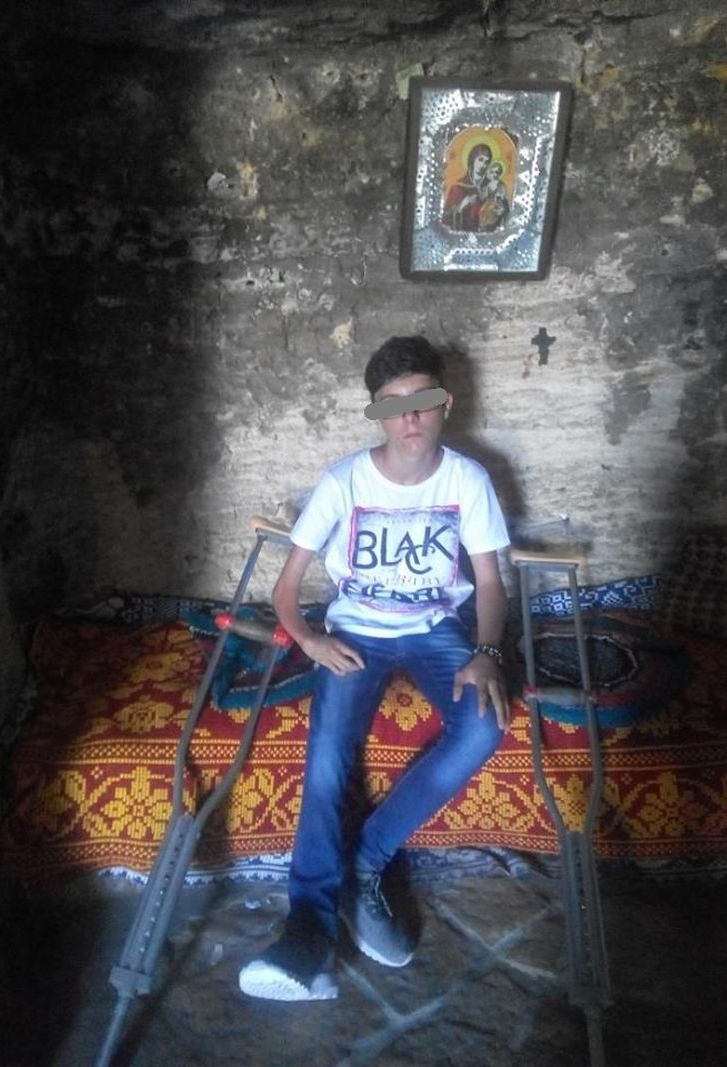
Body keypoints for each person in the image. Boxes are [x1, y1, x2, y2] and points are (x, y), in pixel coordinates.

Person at [239, 335, 510, 1001]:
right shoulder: (345, 482)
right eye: (392, 405)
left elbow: (489, 583)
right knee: (328, 755)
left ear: (445, 403)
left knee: (484, 723)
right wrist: (310, 639)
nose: (408, 417)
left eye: (421, 401)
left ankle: (367, 858)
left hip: (435, 629)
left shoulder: (468, 480)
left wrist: (488, 652)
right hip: (355, 629)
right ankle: (307, 926)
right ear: (377, 414)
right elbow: (286, 587)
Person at [441, 143, 492, 232]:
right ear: (472, 160)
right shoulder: (457, 188)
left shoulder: (491, 187)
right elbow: (445, 218)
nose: (483, 165)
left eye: (486, 162)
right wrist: (461, 206)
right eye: (480, 160)